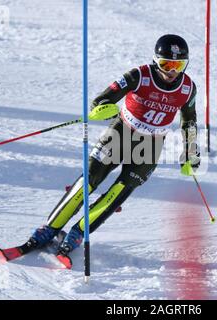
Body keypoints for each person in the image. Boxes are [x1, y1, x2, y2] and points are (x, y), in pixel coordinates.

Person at [14, 34, 200, 267]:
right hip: (120, 133)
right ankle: (48, 229)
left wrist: (191, 153)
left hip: (150, 146)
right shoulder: (139, 76)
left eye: (178, 65)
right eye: (166, 64)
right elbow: (101, 100)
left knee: (116, 194)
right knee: (88, 181)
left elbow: (189, 122)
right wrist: (102, 110)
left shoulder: (188, 88)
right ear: (155, 61)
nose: (171, 71)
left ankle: (77, 234)